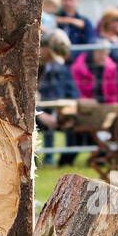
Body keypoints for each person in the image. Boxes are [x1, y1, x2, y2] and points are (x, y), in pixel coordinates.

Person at [37, 29, 77, 166]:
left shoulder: (59, 67)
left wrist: (66, 112)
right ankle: (33, 161)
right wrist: (39, 114)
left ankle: (66, 162)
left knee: (77, 124)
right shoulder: (31, 67)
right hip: (34, 113)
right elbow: (24, 98)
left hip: (55, 111)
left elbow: (72, 92)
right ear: (44, 47)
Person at [72, 40, 118, 104]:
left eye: (106, 54)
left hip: (106, 106)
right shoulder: (79, 68)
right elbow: (77, 92)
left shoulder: (111, 68)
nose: (103, 57)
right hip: (86, 106)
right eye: (100, 52)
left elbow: (114, 94)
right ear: (93, 51)